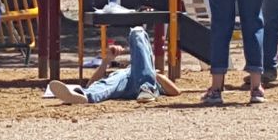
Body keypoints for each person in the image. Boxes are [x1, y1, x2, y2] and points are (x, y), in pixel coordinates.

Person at [47, 27, 180, 104]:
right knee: (109, 83)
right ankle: (83, 96)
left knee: (137, 31)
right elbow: (91, 83)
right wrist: (107, 61)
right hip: (123, 83)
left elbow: (175, 91)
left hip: (144, 81)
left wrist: (153, 74)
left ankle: (147, 89)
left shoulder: (152, 74)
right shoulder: (120, 73)